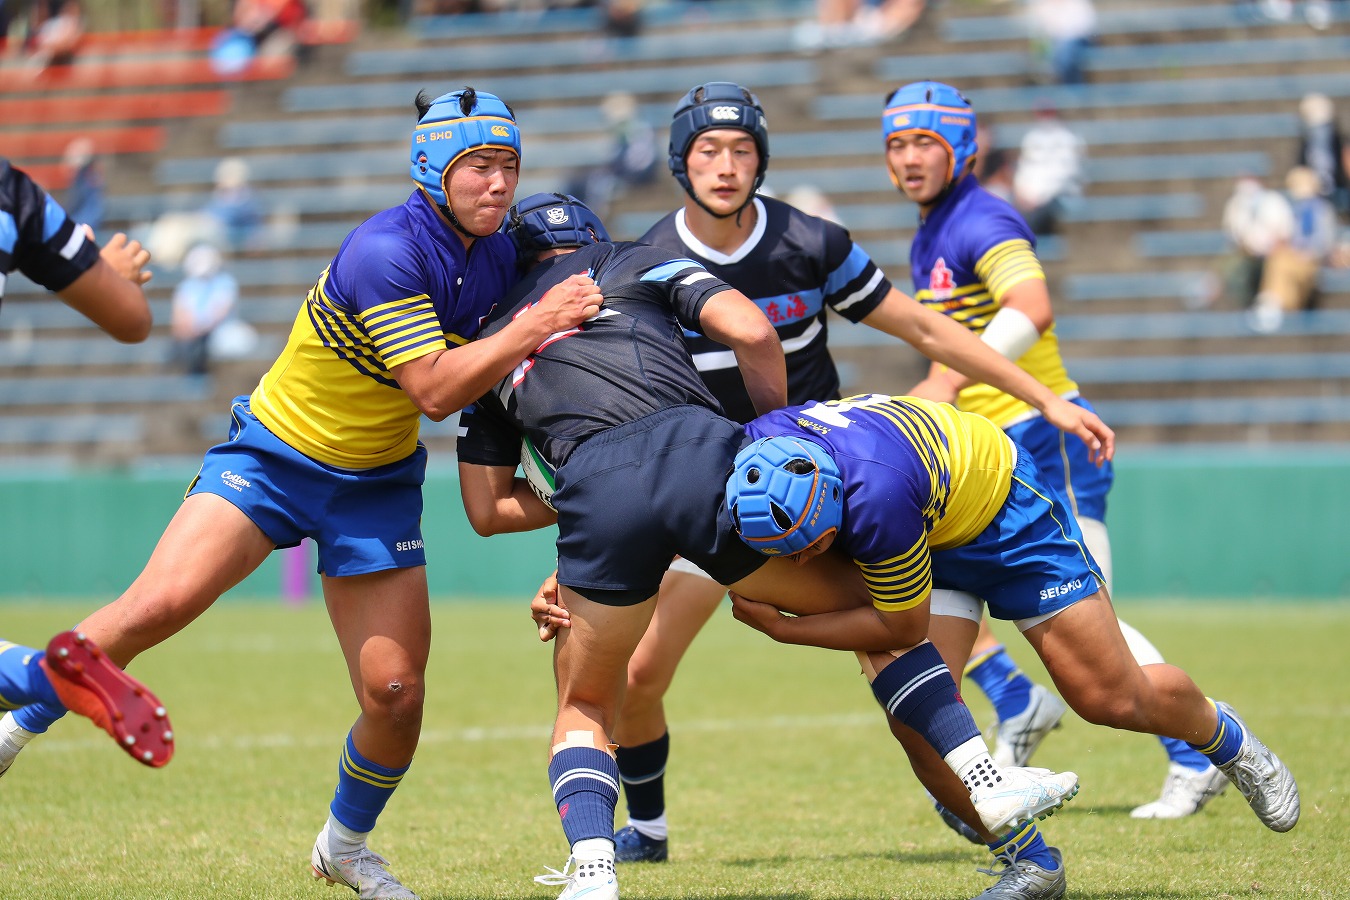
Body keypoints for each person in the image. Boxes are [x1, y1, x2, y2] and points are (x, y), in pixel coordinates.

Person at [0, 89, 603, 900]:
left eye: (508, 166)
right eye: (477, 166)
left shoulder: (505, 251)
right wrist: (533, 325)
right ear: (433, 169)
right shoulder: (384, 249)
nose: (497, 184)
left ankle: (344, 849)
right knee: (158, 606)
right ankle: (20, 719)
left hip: (377, 485)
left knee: (396, 696)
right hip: (276, 458)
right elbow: (431, 389)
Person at [459, 192, 1083, 900]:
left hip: (598, 499)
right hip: (712, 460)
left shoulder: (487, 339)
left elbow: (486, 509)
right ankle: (987, 782)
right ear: (592, 238)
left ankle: (595, 872)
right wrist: (772, 445)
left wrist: (589, 494)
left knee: (588, 706)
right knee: (887, 621)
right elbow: (753, 331)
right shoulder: (632, 258)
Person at [608, 80, 1112, 866]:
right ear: (681, 161)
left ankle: (1003, 818)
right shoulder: (649, 262)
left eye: (743, 150)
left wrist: (1044, 398)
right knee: (638, 670)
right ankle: (646, 830)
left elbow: (923, 327)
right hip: (708, 496)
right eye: (708, 150)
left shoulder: (810, 242)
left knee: (891, 649)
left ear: (762, 160)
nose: (726, 165)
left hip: (821, 498)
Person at [723, 395, 1300, 896]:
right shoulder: (759, 454)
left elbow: (897, 627)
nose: (797, 564)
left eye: (806, 548)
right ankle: (1033, 863)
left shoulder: (875, 503)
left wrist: (784, 627)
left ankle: (1229, 739)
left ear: (835, 506)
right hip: (930, 522)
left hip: (1007, 518)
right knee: (920, 724)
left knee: (1111, 699)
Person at [884, 80, 1236, 826]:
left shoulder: (982, 216)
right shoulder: (934, 224)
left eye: (925, 142)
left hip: (1044, 438)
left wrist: (947, 375)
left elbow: (1032, 306)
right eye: (896, 144)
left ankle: (1199, 749)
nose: (910, 158)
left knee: (1091, 620)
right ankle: (1013, 723)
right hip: (991, 451)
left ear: (964, 147)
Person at [0, 155, 169, 776]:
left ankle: (35, 675)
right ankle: (43, 675)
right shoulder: (13, 194)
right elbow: (132, 317)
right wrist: (109, 274)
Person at [1249, 165, 1340, 333]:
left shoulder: (1322, 210)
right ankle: (1275, 304)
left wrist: (1308, 253)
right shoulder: (1294, 210)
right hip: (1295, 257)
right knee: (1279, 259)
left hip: (1313, 260)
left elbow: (1325, 241)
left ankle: (1274, 304)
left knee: (1282, 263)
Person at [1220, 173, 1294, 309]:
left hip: (1273, 254)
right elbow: (1232, 236)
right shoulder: (1235, 204)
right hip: (1246, 256)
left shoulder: (1274, 200)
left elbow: (1285, 235)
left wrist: (1272, 249)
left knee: (1280, 266)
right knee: (1231, 268)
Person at [1012, 103, 1084, 237]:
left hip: (1059, 197)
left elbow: (1065, 176)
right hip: (1030, 198)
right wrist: (1021, 194)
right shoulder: (1031, 137)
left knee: (1032, 218)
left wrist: (1038, 198)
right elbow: (1024, 169)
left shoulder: (1068, 139)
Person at [170, 243, 241, 375]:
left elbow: (220, 312)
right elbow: (179, 316)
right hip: (193, 334)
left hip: (217, 333)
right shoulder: (186, 286)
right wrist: (190, 330)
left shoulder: (225, 282)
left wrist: (199, 329)